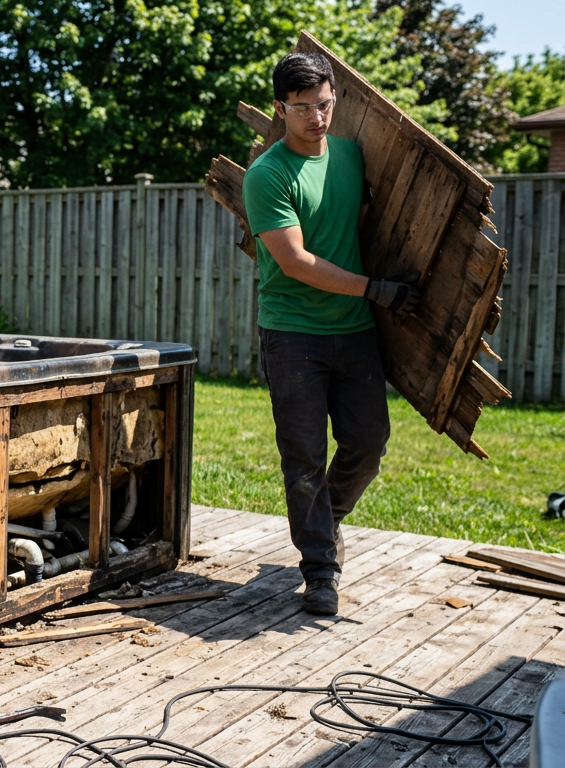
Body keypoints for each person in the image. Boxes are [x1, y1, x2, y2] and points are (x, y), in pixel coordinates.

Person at [242, 52, 419, 616]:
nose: (317, 118)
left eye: (324, 105)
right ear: (280, 108)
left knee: (368, 443)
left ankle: (326, 518)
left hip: (354, 332)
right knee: (303, 458)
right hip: (293, 333)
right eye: (302, 109)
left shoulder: (349, 155)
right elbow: (295, 261)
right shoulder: (268, 175)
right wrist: (374, 288)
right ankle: (320, 570)